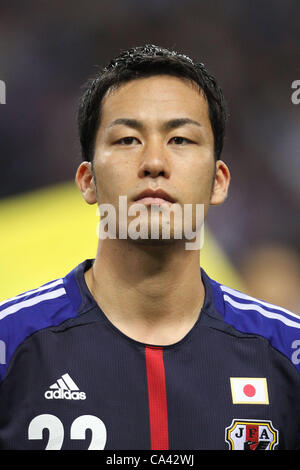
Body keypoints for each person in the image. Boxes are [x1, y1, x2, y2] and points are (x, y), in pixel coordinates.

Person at [0, 45, 299, 451]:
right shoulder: (10, 345)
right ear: (87, 180)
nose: (154, 161)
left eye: (180, 139)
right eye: (127, 140)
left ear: (219, 181)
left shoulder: (287, 354)